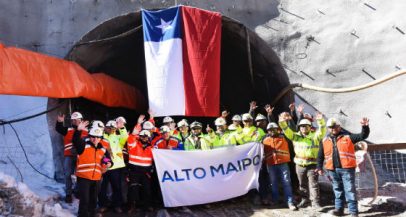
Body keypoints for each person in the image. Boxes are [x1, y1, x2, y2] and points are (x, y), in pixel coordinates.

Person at [316, 117, 370, 217]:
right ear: (328, 128)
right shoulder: (324, 140)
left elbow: (363, 135)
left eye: (335, 127)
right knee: (337, 190)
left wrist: (365, 126)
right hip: (332, 170)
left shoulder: (348, 137)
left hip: (347, 169)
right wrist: (319, 167)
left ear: (339, 127)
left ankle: (353, 212)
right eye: (330, 127)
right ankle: (339, 210)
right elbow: (320, 155)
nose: (332, 129)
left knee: (349, 190)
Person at [278, 112, 326, 210]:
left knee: (313, 185)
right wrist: (282, 121)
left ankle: (315, 203)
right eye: (302, 126)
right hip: (299, 165)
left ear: (309, 127)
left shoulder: (315, 136)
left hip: (312, 164)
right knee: (302, 184)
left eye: (306, 126)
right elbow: (286, 129)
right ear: (299, 127)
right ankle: (305, 200)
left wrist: (320, 121)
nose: (303, 128)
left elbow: (322, 131)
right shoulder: (295, 136)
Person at [72, 121, 112, 217]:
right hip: (84, 177)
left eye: (97, 137)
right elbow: (75, 140)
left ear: (100, 138)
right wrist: (78, 130)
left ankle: (92, 213)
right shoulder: (83, 146)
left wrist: (108, 163)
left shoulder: (103, 149)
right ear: (90, 136)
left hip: (97, 178)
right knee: (85, 199)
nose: (95, 139)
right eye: (93, 136)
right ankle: (82, 215)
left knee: (93, 199)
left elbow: (107, 159)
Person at [262, 122, 297, 210]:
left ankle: (290, 201)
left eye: (274, 129)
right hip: (271, 164)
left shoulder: (284, 137)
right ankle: (275, 200)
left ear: (278, 129)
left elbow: (292, 131)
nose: (272, 131)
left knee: (286, 182)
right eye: (270, 130)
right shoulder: (265, 140)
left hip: (283, 163)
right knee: (273, 183)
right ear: (267, 131)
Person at [55, 111, 88, 203]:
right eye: (73, 120)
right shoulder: (68, 130)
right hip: (69, 156)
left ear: (81, 120)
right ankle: (68, 194)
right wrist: (59, 121)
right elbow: (58, 128)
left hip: (80, 157)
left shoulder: (86, 131)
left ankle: (77, 191)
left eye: (77, 120)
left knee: (80, 175)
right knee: (67, 174)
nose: (75, 122)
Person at [98, 119, 128, 213]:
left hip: (115, 167)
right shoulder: (101, 137)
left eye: (114, 128)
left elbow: (125, 136)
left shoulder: (118, 138)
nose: (112, 130)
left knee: (117, 187)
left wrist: (122, 127)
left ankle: (117, 205)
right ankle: (103, 205)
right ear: (106, 128)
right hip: (103, 166)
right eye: (109, 128)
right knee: (103, 187)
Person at [127, 130, 154, 212]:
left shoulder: (152, 148)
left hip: (146, 172)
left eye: (146, 137)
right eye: (142, 136)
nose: (144, 138)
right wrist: (133, 133)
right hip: (134, 171)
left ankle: (147, 205)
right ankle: (132, 206)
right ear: (139, 137)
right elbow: (130, 140)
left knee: (147, 190)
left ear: (149, 138)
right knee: (133, 189)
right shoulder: (134, 144)